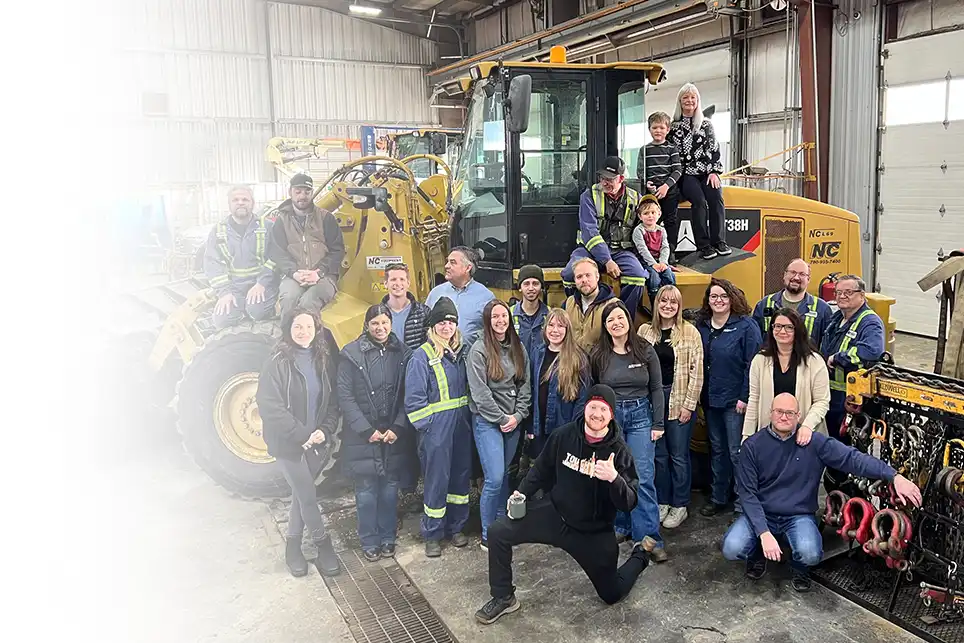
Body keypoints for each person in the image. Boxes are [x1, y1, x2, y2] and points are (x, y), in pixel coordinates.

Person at [474, 385, 651, 624]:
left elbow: (629, 503)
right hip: (556, 515)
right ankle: (503, 597)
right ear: (585, 408)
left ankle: (641, 555)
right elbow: (541, 469)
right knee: (498, 532)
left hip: (592, 532)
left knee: (611, 593)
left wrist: (614, 478)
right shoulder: (563, 436)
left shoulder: (619, 452)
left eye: (603, 409)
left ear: (611, 415)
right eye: (593, 407)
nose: (597, 414)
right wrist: (521, 492)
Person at [723, 393, 922, 591]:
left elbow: (853, 459)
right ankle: (758, 550)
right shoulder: (753, 446)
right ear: (770, 413)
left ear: (799, 416)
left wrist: (894, 476)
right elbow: (747, 494)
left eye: (790, 413)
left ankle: (799, 565)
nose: (784, 417)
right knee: (732, 547)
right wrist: (763, 533)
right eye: (779, 411)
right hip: (762, 512)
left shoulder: (814, 443)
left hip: (797, 515)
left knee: (810, 554)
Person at [257, 307, 341, 578]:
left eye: (308, 326)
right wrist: (301, 435)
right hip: (288, 444)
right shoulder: (277, 363)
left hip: (316, 442)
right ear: (288, 330)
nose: (303, 332)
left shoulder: (322, 359)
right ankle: (322, 544)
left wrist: (324, 431)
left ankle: (292, 548)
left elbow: (332, 401)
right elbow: (270, 407)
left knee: (300, 496)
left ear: (316, 330)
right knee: (307, 494)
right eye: (297, 327)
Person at [590, 300, 667, 561]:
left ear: (628, 320)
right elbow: (594, 391)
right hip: (611, 420)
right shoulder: (598, 354)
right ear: (605, 326)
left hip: (641, 416)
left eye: (620, 317)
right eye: (610, 320)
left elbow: (656, 388)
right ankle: (621, 526)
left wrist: (658, 424)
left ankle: (649, 539)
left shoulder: (644, 350)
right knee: (616, 474)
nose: (616, 323)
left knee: (642, 476)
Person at [337, 304, 412, 562]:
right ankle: (369, 540)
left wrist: (398, 427)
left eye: (384, 322)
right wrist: (365, 429)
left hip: (392, 434)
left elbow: (408, 394)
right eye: (375, 323)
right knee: (366, 491)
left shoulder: (403, 354)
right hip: (363, 435)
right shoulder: (351, 355)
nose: (380, 328)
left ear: (391, 324)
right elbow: (345, 396)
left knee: (390, 489)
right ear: (367, 325)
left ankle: (388, 536)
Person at [405, 297, 473, 558]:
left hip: (461, 426)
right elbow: (414, 400)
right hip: (436, 431)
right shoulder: (422, 356)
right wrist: (429, 428)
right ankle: (432, 534)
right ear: (432, 326)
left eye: (451, 322)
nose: (447, 327)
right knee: (436, 481)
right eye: (442, 322)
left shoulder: (461, 353)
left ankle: (456, 527)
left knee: (460, 477)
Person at [468, 300, 532, 549]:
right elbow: (480, 394)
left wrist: (518, 415)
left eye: (503, 315)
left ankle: (501, 526)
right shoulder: (478, 350)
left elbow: (525, 383)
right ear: (487, 320)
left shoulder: (518, 346)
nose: (500, 320)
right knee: (494, 478)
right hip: (488, 422)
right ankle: (488, 534)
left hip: (513, 421)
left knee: (505, 474)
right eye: (495, 316)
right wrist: (502, 418)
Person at [696, 278, 762, 517]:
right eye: (713, 296)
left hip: (735, 402)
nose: (718, 301)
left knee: (737, 452)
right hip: (710, 400)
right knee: (717, 450)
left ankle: (743, 503)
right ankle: (718, 497)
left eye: (723, 296)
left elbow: (753, 364)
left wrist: (745, 396)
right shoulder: (702, 326)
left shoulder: (746, 326)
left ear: (733, 298)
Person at [639, 285, 703, 529]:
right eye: (663, 301)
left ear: (679, 306)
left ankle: (680, 504)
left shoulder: (690, 332)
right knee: (659, 456)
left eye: (673, 302)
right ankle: (663, 501)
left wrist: (689, 406)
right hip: (653, 402)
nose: (667, 306)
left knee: (678, 456)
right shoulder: (645, 331)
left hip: (679, 401)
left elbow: (697, 372)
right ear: (657, 304)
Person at [561, 156, 648, 316]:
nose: (605, 182)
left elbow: (646, 229)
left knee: (638, 276)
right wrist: (607, 260)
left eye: (610, 179)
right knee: (569, 274)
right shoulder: (589, 196)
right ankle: (579, 317)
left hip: (621, 251)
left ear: (621, 179)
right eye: (602, 178)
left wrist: (655, 261)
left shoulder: (636, 198)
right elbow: (590, 232)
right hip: (588, 250)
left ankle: (622, 318)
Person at [743, 308, 830, 445]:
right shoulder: (760, 360)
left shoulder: (814, 361)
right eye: (778, 326)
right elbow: (754, 399)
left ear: (798, 330)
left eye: (789, 327)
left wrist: (807, 426)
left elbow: (822, 401)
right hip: (770, 436)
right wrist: (747, 435)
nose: (782, 331)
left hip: (805, 436)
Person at [268, 174, 346, 318]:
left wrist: (319, 272)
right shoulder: (281, 221)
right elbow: (277, 253)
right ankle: (288, 332)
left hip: (324, 276)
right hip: (293, 276)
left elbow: (337, 251)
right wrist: (294, 273)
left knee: (308, 303)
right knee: (288, 299)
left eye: (307, 192)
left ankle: (313, 333)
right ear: (290, 192)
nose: (302, 196)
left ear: (312, 192)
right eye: (298, 191)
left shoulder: (326, 218)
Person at [819, 275, 885, 440]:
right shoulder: (836, 318)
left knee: (846, 448)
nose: (842, 296)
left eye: (848, 292)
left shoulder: (870, 322)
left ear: (862, 295)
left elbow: (872, 351)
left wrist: (837, 358)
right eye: (838, 292)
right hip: (830, 396)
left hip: (852, 400)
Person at [669, 83, 729, 261]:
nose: (689, 100)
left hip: (706, 172)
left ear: (697, 101)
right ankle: (703, 245)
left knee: (716, 198)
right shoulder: (673, 127)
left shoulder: (706, 125)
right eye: (685, 97)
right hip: (686, 174)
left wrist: (714, 172)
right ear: (680, 101)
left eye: (692, 97)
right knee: (699, 201)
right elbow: (670, 153)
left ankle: (719, 241)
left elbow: (714, 149)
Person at [203, 186, 278, 328]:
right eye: (235, 200)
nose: (240, 203)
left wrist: (262, 283)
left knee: (256, 311)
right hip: (234, 287)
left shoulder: (267, 227)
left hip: (261, 285)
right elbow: (212, 263)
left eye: (245, 199)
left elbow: (276, 257)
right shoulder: (218, 231)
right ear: (229, 204)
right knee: (222, 319)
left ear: (253, 203)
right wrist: (224, 292)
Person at [528, 308, 591, 458]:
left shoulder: (578, 357)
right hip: (539, 428)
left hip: (564, 428)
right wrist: (531, 426)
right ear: (545, 328)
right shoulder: (537, 353)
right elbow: (530, 390)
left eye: (560, 326)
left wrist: (573, 431)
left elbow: (583, 398)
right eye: (551, 325)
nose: (555, 330)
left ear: (567, 330)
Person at [751, 259, 832, 347]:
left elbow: (827, 345)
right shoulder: (764, 304)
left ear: (808, 279)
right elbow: (755, 340)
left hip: (805, 356)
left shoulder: (822, 309)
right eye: (792, 272)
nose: (796, 278)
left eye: (802, 274)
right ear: (784, 275)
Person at [426, 247, 495, 347]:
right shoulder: (436, 293)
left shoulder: (486, 297)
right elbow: (425, 325)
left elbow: (492, 334)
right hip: (438, 354)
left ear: (468, 268)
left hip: (471, 355)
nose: (446, 266)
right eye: (447, 261)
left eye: (452, 262)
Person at [638, 111, 682, 260]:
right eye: (655, 127)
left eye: (662, 128)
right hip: (651, 192)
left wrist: (666, 186)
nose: (658, 131)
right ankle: (650, 251)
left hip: (669, 190)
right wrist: (647, 184)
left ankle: (671, 252)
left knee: (671, 221)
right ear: (649, 129)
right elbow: (640, 171)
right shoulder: (644, 150)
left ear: (667, 130)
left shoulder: (672, 149)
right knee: (648, 221)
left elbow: (677, 170)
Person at [565, 257, 617, 351]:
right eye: (579, 277)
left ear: (597, 277)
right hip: (573, 359)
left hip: (602, 359)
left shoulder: (613, 305)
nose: (584, 280)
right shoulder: (568, 303)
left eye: (588, 275)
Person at [632, 196, 676, 305]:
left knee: (669, 275)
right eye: (646, 213)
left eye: (653, 212)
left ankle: (670, 301)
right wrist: (653, 264)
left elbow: (665, 247)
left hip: (659, 261)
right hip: (645, 261)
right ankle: (655, 306)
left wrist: (663, 262)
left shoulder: (661, 230)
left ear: (659, 214)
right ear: (640, 216)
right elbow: (643, 250)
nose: (650, 216)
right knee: (654, 278)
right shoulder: (638, 230)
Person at [381, 262, 431, 350]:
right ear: (385, 284)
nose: (398, 283)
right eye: (393, 279)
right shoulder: (376, 314)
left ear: (408, 283)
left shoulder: (423, 312)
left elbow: (431, 344)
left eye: (402, 279)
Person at [511, 264, 550, 357]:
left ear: (541, 287)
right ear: (520, 287)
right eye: (526, 284)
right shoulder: (509, 314)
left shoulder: (550, 315)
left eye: (535, 283)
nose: (531, 288)